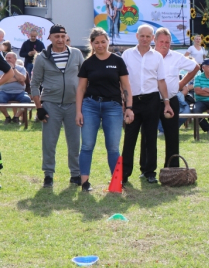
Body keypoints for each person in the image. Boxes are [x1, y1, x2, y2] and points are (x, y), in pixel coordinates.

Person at [75, 28, 134, 192]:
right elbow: (80, 89)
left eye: (103, 41)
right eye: (96, 42)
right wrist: (78, 111)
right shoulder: (88, 63)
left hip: (113, 107)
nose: (100, 45)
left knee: (113, 147)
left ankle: (116, 183)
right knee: (87, 145)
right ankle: (85, 182)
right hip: (90, 106)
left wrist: (129, 107)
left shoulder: (118, 61)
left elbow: (126, 86)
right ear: (92, 44)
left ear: (108, 41)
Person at [30, 24, 84, 188]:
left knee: (75, 142)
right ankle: (48, 175)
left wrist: (82, 105)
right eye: (56, 37)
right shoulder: (42, 57)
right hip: (51, 105)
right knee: (49, 142)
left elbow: (84, 79)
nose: (60, 40)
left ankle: (75, 174)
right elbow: (34, 84)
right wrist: (39, 107)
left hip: (73, 105)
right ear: (50, 38)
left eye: (63, 36)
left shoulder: (76, 54)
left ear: (66, 37)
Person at [121, 25, 174, 184]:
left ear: (152, 38)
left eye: (148, 36)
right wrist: (124, 103)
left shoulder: (157, 56)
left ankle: (150, 172)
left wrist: (167, 103)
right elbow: (122, 81)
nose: (145, 39)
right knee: (129, 138)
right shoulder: (127, 54)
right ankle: (124, 173)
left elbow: (161, 81)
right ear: (137, 36)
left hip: (151, 100)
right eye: (142, 36)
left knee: (151, 138)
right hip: (132, 101)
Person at [147, 27, 199, 169]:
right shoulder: (147, 55)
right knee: (149, 136)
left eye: (168, 42)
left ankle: (172, 167)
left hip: (171, 100)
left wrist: (182, 83)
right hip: (150, 100)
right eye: (161, 41)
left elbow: (195, 67)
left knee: (172, 136)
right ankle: (148, 170)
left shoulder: (176, 56)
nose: (164, 44)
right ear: (154, 40)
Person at [0, 52, 29, 124]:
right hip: (4, 92)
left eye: (9, 58)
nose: (7, 60)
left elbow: (22, 79)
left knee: (27, 99)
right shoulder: (1, 68)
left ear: (15, 59)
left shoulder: (21, 68)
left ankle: (16, 117)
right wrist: (17, 79)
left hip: (20, 92)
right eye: (6, 58)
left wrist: (13, 69)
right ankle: (7, 117)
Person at [193, 58, 209, 135]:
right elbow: (197, 91)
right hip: (200, 101)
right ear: (203, 67)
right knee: (195, 111)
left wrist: (205, 89)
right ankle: (208, 129)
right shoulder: (198, 77)